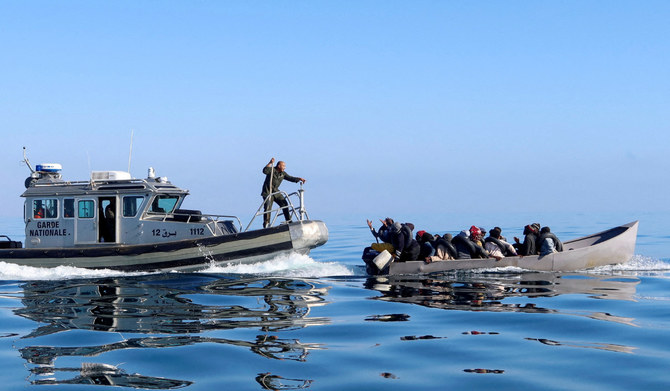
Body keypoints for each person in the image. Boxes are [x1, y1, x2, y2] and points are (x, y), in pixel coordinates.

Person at [261, 158, 306, 228]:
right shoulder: (272, 170)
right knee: (268, 208)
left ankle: (288, 220)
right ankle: (266, 224)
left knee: (285, 204)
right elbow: (264, 171)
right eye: (283, 166)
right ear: (279, 166)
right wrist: (270, 163)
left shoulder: (283, 174)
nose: (284, 167)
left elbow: (290, 178)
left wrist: (299, 179)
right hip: (267, 192)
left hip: (276, 192)